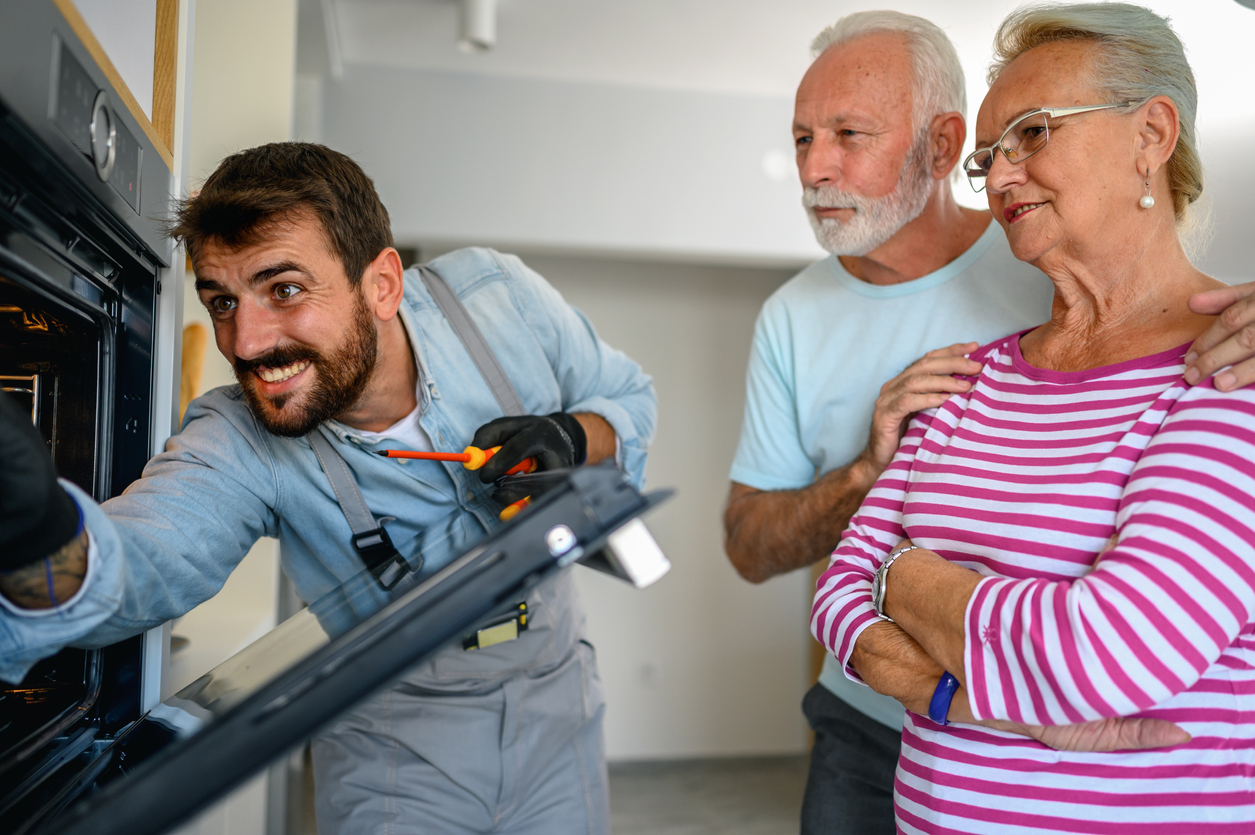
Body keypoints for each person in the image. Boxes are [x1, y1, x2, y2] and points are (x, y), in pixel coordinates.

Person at [0, 142, 656, 834]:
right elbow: (145, 560)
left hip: (560, 701)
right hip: (392, 745)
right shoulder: (236, 435)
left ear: (381, 285)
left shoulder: (496, 299)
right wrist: (41, 529)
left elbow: (627, 396)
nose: (246, 342)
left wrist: (577, 436)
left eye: (283, 290)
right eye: (222, 301)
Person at [723, 10, 1255, 834]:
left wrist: (899, 572)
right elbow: (830, 588)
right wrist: (961, 699)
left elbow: (1099, 657)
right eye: (989, 154)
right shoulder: (974, 369)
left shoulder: (1227, 364)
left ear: (1150, 134)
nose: (1002, 173)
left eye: (1031, 133)